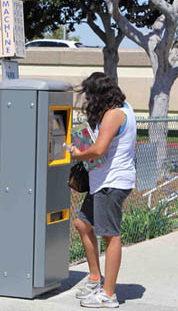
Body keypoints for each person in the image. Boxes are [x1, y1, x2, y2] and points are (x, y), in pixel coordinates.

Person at [70, 72, 136, 308]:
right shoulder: (123, 108)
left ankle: (109, 295)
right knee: (83, 224)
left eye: (89, 95)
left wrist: (77, 154)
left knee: (111, 235)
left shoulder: (113, 115)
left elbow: (98, 150)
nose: (88, 100)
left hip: (112, 182)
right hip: (103, 181)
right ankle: (96, 278)